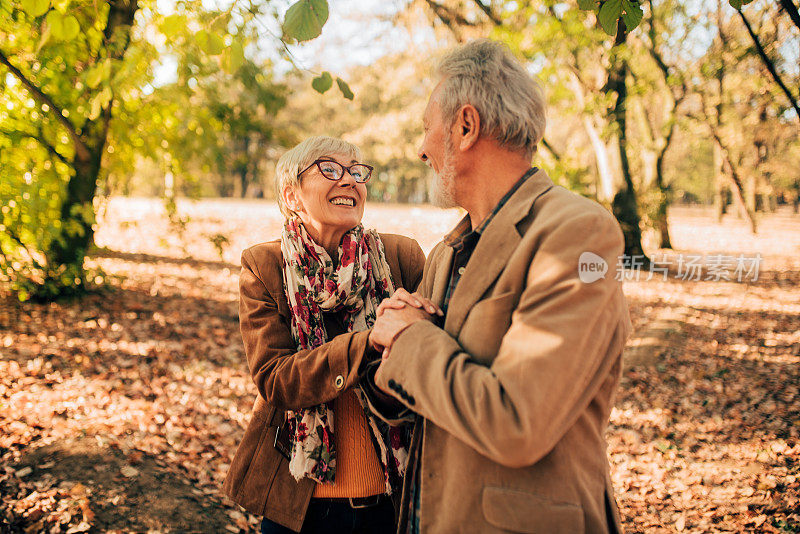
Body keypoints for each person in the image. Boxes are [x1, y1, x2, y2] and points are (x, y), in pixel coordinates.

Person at [365, 39, 632, 533]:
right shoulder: (448, 250)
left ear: (466, 127)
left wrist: (408, 337)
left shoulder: (577, 232)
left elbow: (518, 423)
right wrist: (385, 339)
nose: (421, 148)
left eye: (427, 128)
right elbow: (420, 395)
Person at [223, 136, 429, 533]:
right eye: (330, 170)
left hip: (394, 500)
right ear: (292, 195)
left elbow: (429, 363)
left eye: (356, 172)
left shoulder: (402, 257)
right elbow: (275, 378)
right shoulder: (264, 265)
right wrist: (366, 342)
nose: (350, 181)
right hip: (300, 505)